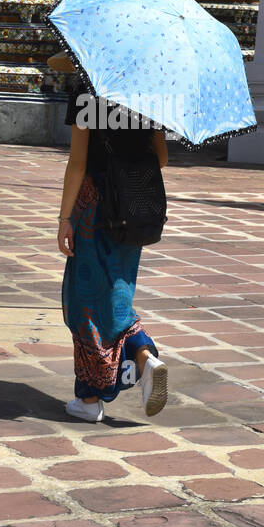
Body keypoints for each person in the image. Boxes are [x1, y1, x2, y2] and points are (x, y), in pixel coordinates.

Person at [51, 53, 169, 423]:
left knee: (83, 300)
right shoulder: (148, 95)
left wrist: (64, 218)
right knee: (118, 292)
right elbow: (161, 158)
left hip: (94, 207)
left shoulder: (87, 92)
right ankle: (146, 359)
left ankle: (89, 400)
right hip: (132, 205)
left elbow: (78, 163)